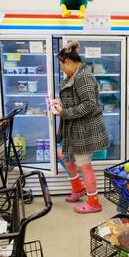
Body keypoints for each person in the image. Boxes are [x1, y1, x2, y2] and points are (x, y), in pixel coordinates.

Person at [53, 40, 109, 214]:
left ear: (67, 62)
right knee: (62, 154)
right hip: (75, 130)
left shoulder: (83, 77)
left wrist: (64, 113)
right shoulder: (74, 76)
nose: (61, 69)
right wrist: (59, 103)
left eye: (61, 66)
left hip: (85, 131)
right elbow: (75, 99)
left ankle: (94, 203)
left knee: (85, 166)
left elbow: (90, 105)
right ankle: (78, 188)